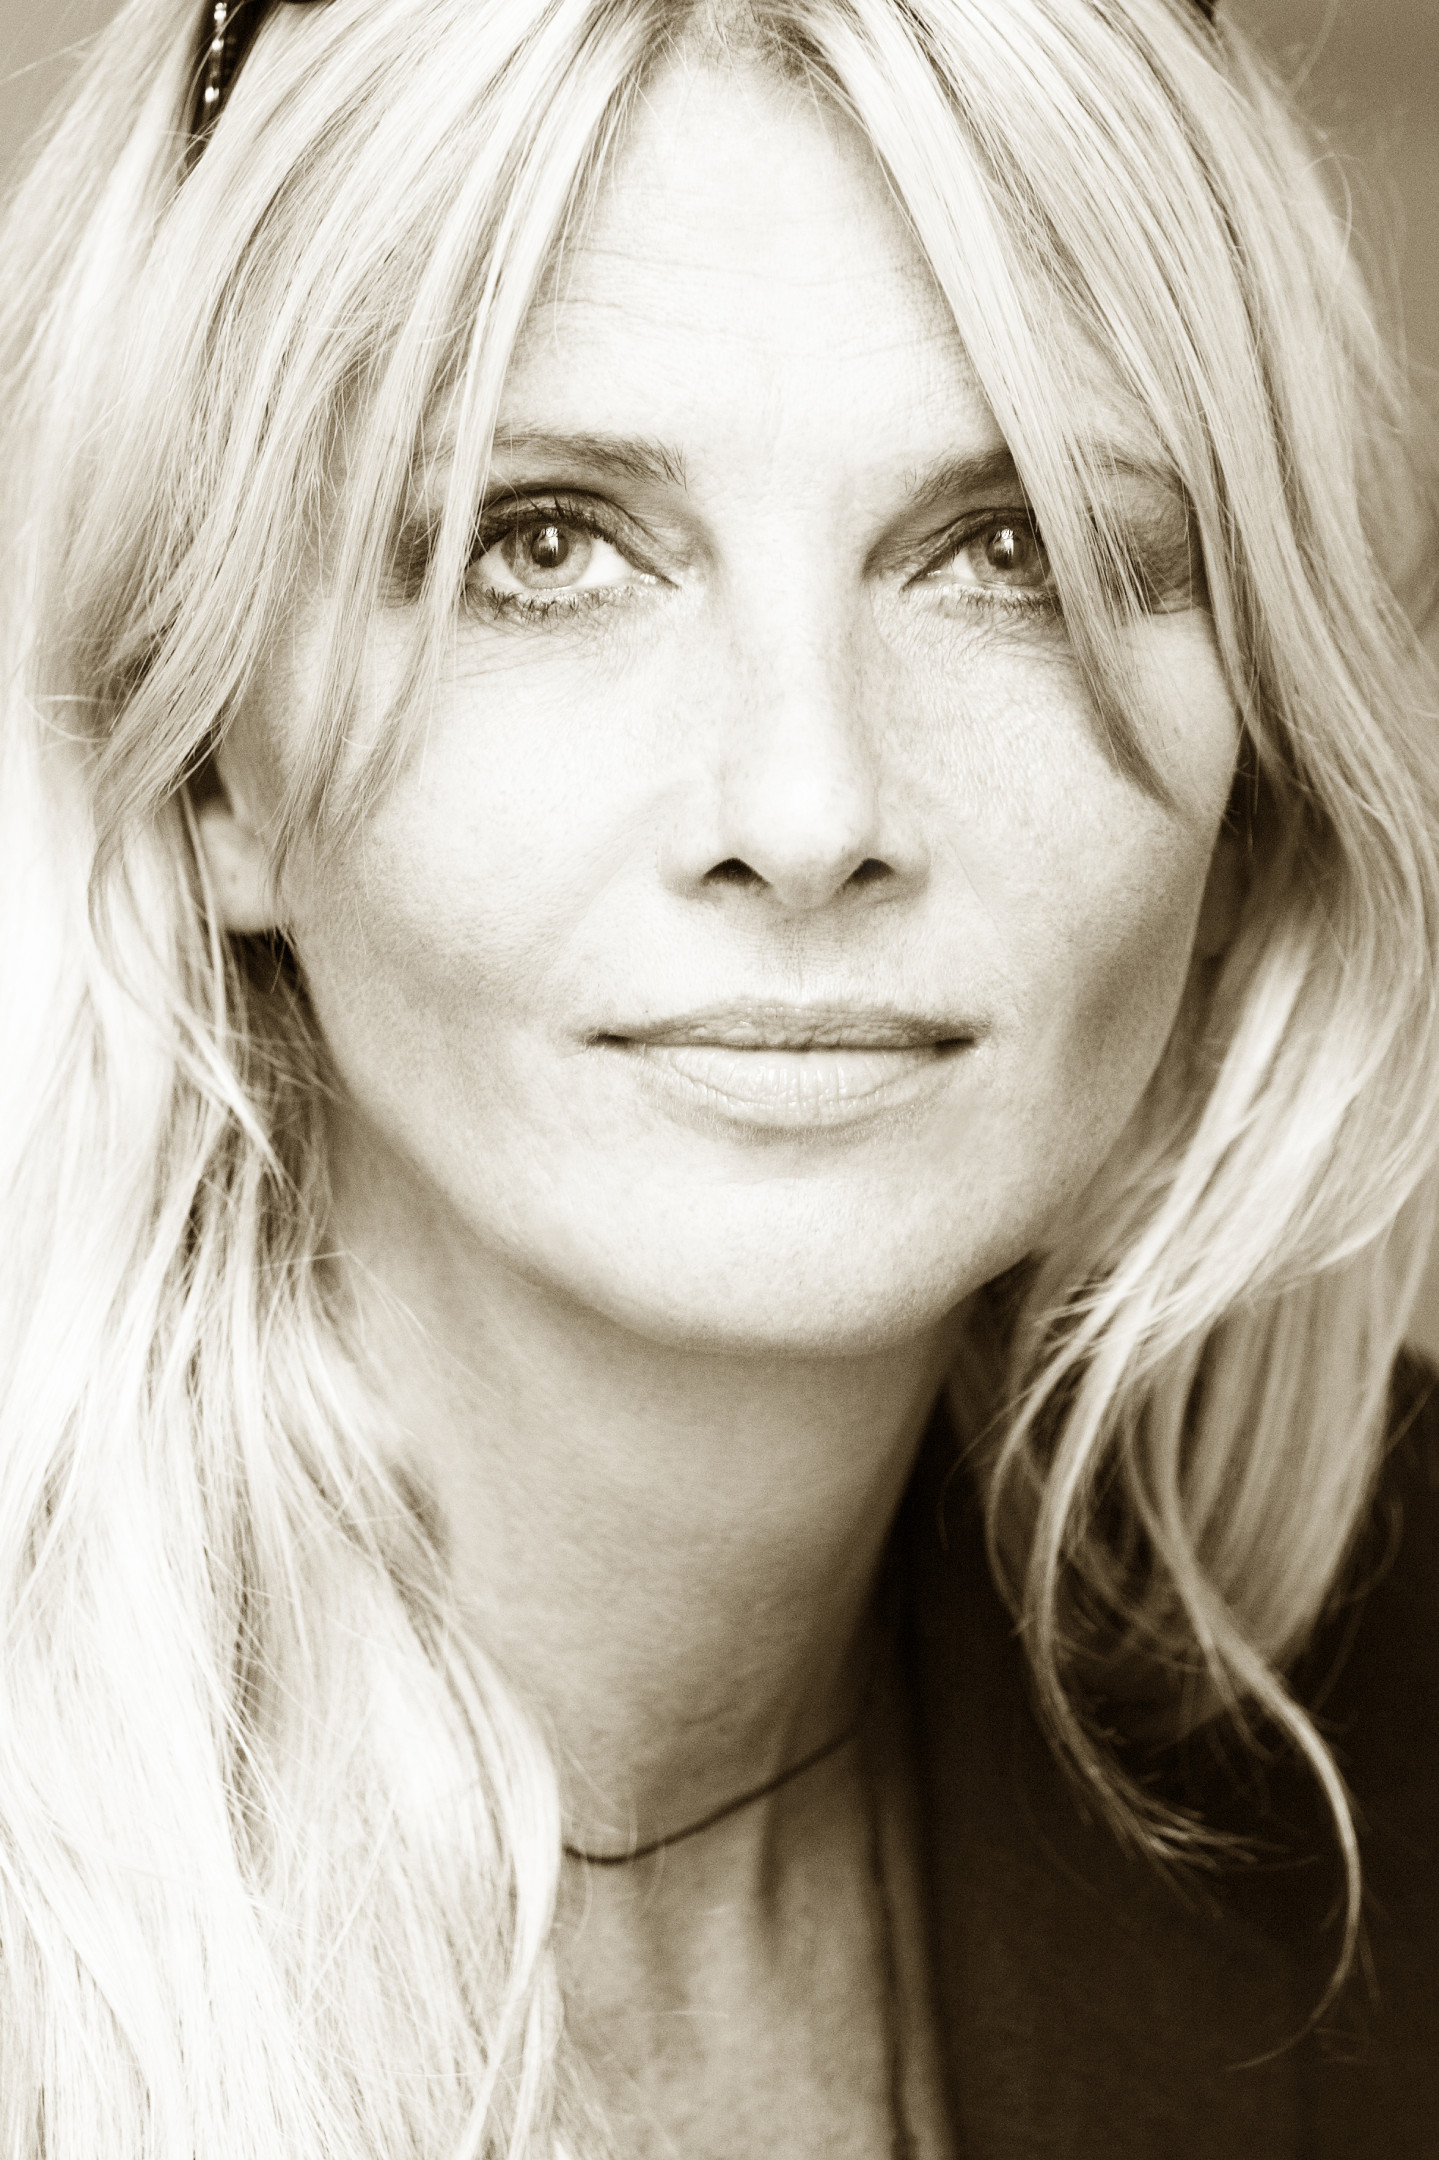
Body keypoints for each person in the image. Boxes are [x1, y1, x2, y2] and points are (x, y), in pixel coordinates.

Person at [1, 0, 1436, 2150]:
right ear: (214, 766)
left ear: (1255, 785)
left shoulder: (1388, 1717)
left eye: (1015, 552)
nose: (807, 804)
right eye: (544, 544)